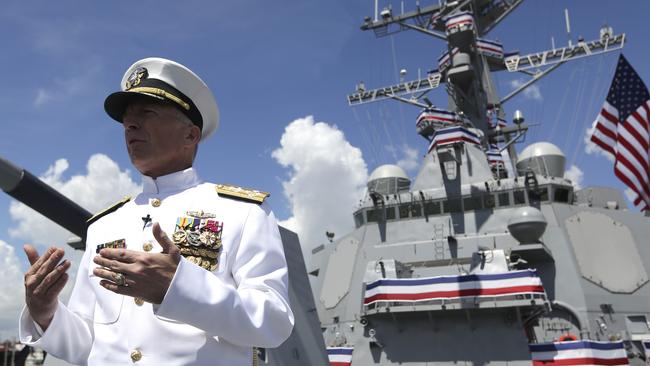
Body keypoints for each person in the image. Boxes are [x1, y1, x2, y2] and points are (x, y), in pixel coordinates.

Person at [19, 57, 294, 365]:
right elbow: (87, 344)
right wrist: (45, 312)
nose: (129, 124)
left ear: (190, 135)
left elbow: (274, 322)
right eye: (126, 119)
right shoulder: (104, 225)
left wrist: (181, 287)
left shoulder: (242, 213)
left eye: (146, 112)